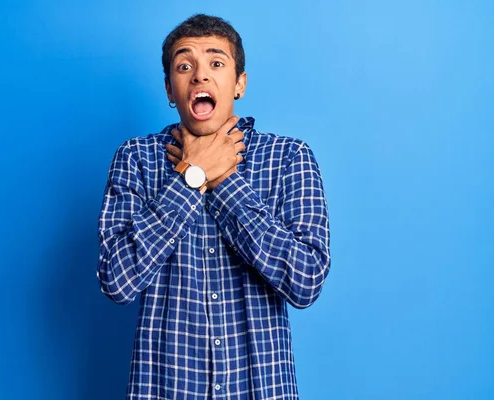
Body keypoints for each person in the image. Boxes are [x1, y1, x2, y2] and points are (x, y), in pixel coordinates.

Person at [97, 14, 331, 400]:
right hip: (165, 390)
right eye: (184, 65)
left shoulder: (290, 157)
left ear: (239, 83)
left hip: (261, 389)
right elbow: (117, 282)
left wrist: (223, 181)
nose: (200, 76)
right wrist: (192, 177)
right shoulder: (135, 159)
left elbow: (305, 282)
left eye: (216, 63)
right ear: (170, 90)